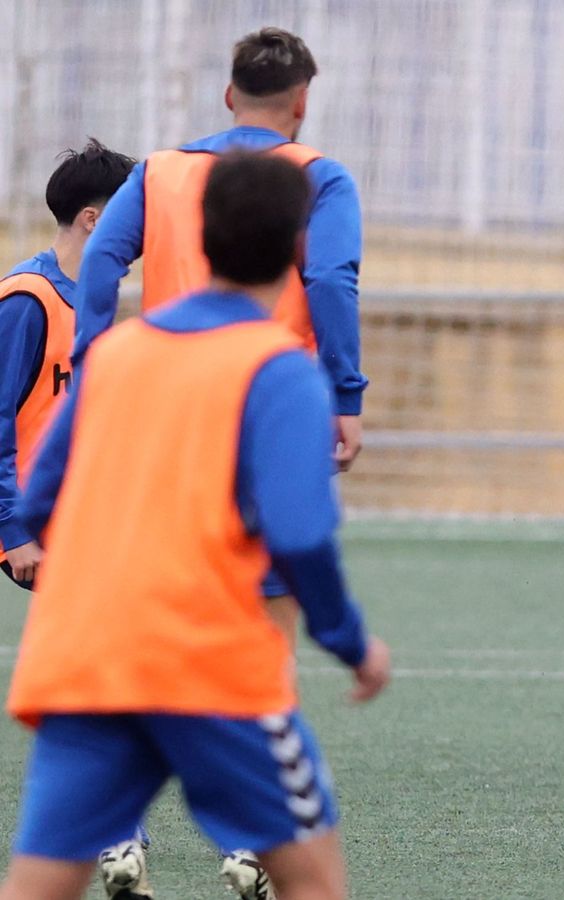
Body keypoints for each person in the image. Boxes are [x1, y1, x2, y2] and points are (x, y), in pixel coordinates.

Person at [0, 152, 391, 900]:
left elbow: (45, 497)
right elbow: (301, 537)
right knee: (313, 880)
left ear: (197, 239)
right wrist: (350, 643)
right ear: (298, 251)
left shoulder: (113, 355)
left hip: (89, 660)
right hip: (209, 665)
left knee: (38, 884)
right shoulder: (281, 371)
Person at [73, 31, 366, 894]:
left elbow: (99, 262)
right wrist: (345, 396)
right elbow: (335, 281)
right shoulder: (319, 174)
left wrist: (98, 361)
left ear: (229, 93)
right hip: (269, 419)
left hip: (162, 422)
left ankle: (119, 832)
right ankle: (249, 842)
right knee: (259, 639)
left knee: (144, 622)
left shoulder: (160, 171)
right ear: (302, 100)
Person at [0, 140, 135, 591]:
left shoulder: (93, 301)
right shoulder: (27, 298)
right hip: (33, 520)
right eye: (131, 216)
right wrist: (12, 527)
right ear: (92, 220)